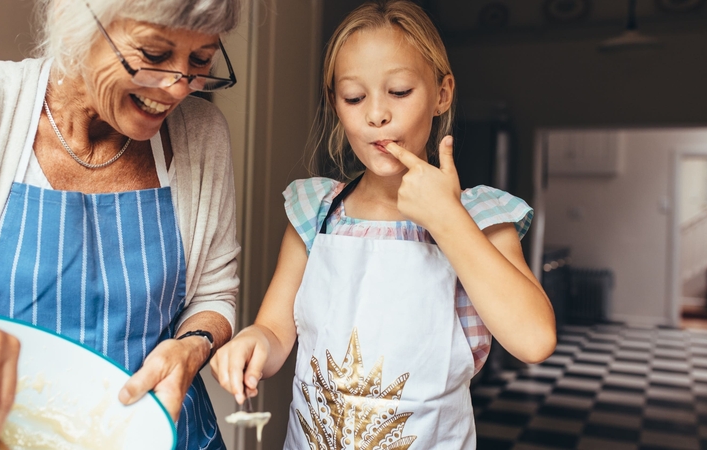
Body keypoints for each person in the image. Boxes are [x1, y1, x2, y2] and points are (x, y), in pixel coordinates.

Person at [210, 1, 557, 447]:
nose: (376, 114)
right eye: (354, 97)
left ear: (442, 93)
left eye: (398, 91)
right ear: (337, 104)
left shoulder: (483, 218)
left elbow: (534, 340)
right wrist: (253, 342)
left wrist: (447, 218)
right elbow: (276, 330)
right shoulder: (315, 213)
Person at [0, 0, 241, 448]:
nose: (177, 86)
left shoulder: (203, 135)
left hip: (168, 435)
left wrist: (194, 345)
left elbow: (215, 291)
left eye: (201, 60)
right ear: (77, 26)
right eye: (153, 55)